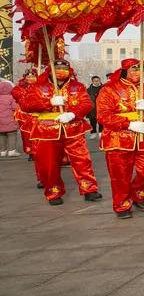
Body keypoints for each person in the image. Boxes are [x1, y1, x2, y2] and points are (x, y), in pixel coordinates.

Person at [20, 59, 102, 204]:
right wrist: (48, 102)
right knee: (49, 164)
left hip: (74, 128)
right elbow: (26, 105)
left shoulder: (77, 86)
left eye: (64, 68)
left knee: (82, 161)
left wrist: (73, 114)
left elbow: (86, 104)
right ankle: (54, 192)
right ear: (50, 70)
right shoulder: (38, 86)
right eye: (57, 68)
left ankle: (89, 189)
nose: (61, 71)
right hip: (46, 130)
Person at [97, 59, 144, 217]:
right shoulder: (109, 89)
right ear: (124, 70)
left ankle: (137, 194)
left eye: (140, 70)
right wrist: (128, 124)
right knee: (120, 176)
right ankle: (122, 205)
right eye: (134, 69)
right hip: (118, 139)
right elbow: (103, 115)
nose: (137, 73)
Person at [11, 68, 37, 159]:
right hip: (24, 115)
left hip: (38, 113)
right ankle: (31, 152)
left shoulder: (41, 86)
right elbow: (15, 93)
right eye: (28, 76)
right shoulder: (19, 87)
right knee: (26, 134)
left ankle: (39, 151)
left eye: (33, 76)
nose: (30, 78)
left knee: (38, 133)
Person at [0, 79, 18, 157]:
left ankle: (2, 151)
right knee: (12, 134)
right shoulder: (11, 98)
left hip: (0, 122)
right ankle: (12, 151)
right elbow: (15, 107)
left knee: (1, 135)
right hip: (10, 120)